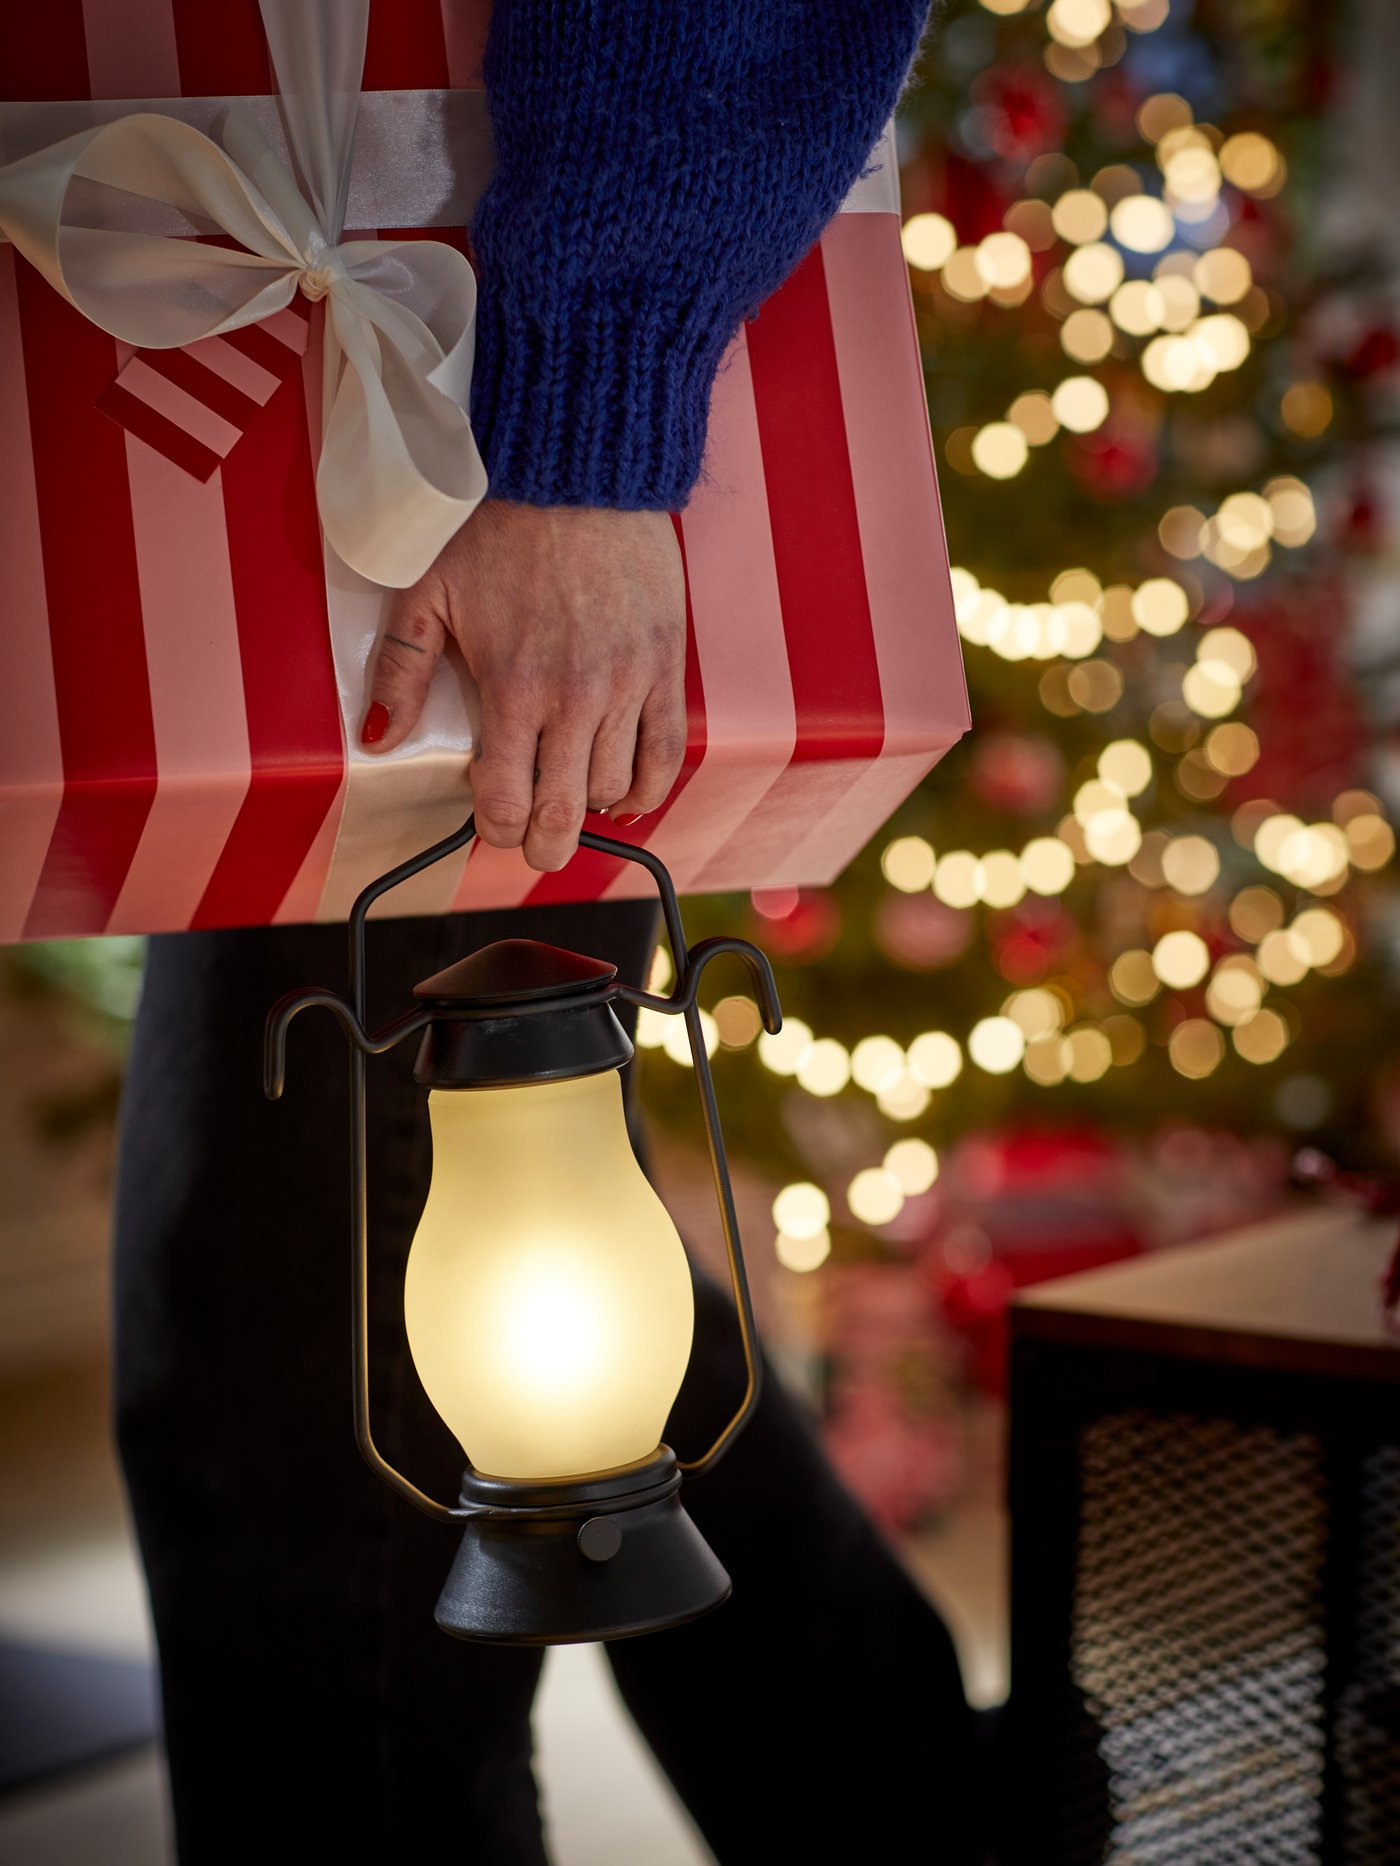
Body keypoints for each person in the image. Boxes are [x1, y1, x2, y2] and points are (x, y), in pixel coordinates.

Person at [114, 4, 984, 1860]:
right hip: (386, 351)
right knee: (424, 1290)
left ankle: (925, 1807)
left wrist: (585, 429)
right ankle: (922, 1806)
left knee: (295, 1394)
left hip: (491, 417)